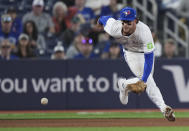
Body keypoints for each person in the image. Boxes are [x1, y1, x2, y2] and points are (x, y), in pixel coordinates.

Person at [98, 7, 175, 121]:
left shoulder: (145, 32)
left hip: (144, 53)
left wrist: (142, 81)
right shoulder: (114, 27)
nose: (125, 25)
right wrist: (99, 21)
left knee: (147, 80)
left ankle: (124, 84)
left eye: (129, 22)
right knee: (148, 79)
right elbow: (104, 19)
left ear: (136, 21)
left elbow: (149, 58)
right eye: (123, 21)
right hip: (131, 54)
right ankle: (164, 108)